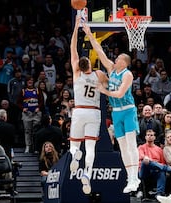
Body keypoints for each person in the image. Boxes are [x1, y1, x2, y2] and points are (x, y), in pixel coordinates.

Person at [83, 22, 141, 193]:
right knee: (122, 146)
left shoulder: (127, 74)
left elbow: (120, 94)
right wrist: (89, 34)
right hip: (116, 113)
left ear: (124, 63)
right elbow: (100, 52)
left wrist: (103, 90)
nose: (114, 60)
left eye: (118, 59)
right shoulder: (111, 69)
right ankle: (129, 178)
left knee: (131, 144)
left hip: (128, 110)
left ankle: (134, 176)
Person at [68, 15, 108, 195]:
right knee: (91, 147)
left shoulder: (77, 74)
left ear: (79, 66)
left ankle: (76, 154)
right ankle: (87, 172)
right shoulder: (98, 74)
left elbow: (72, 47)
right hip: (94, 112)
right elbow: (109, 82)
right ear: (90, 64)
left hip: (78, 111)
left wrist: (76, 27)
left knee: (74, 146)